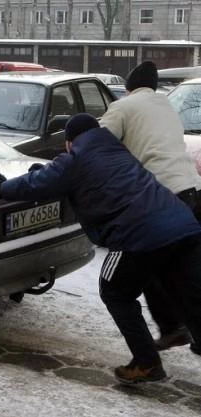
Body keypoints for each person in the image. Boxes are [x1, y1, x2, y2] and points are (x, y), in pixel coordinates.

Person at [0, 113, 201, 384]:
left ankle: (146, 363)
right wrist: (47, 173)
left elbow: (39, 184)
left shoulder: (77, 158)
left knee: (115, 291)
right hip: (183, 225)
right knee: (189, 291)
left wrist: (0, 186)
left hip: (137, 235)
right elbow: (69, 176)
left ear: (70, 142)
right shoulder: (117, 150)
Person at [100, 61, 201, 351]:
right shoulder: (165, 104)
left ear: (129, 87)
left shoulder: (123, 106)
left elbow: (96, 144)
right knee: (181, 269)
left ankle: (170, 330)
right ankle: (181, 329)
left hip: (159, 198)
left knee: (144, 266)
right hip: (192, 190)